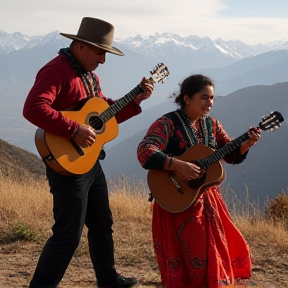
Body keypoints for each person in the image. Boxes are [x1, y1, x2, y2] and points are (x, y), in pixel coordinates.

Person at [23, 17, 154, 288]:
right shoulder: (56, 70)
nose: (103, 60)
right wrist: (73, 130)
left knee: (102, 224)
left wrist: (136, 99)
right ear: (81, 46)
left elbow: (101, 112)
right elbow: (33, 108)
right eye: (100, 52)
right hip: (67, 163)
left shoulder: (89, 76)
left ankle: (107, 279)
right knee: (67, 235)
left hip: (89, 161)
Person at [137, 74, 261, 288]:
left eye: (212, 98)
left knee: (212, 252)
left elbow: (230, 155)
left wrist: (246, 144)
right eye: (204, 98)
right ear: (187, 99)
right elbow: (145, 151)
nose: (210, 103)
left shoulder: (212, 125)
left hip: (207, 199)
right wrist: (178, 165)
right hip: (176, 199)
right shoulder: (167, 124)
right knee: (190, 256)